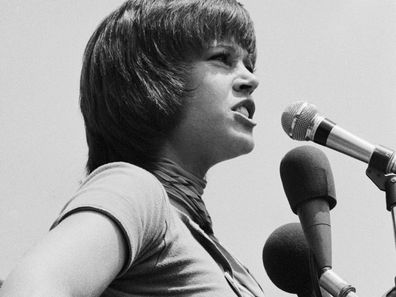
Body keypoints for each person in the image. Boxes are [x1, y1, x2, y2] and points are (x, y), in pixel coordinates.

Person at [0, 0, 263, 296]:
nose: (250, 79)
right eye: (222, 58)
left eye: (247, 64)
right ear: (155, 77)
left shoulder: (226, 262)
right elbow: (30, 288)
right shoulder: (135, 191)